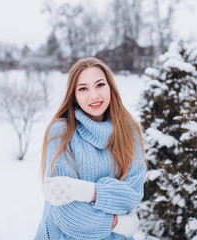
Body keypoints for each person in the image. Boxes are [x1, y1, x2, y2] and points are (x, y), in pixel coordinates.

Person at [34, 57, 146, 240]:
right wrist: (118, 223)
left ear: (110, 87)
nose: (94, 95)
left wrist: (85, 191)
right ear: (74, 96)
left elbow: (132, 194)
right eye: (83, 88)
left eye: (100, 85)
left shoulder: (129, 130)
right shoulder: (61, 132)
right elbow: (67, 214)